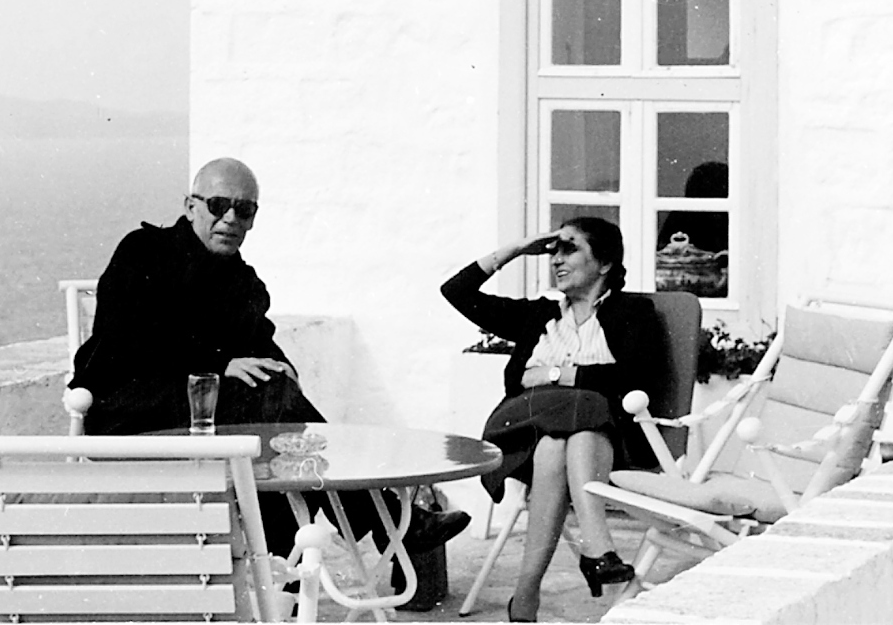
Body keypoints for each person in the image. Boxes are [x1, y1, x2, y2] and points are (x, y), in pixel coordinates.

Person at [71, 156, 469, 557]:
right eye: (218, 205)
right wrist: (221, 364)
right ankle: (381, 529)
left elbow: (260, 344)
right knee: (280, 424)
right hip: (132, 409)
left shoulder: (241, 280)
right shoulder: (144, 251)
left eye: (243, 210)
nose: (229, 218)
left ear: (252, 219)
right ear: (191, 206)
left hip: (206, 414)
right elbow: (128, 338)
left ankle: (293, 564)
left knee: (281, 425)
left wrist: (285, 369)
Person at [441, 218, 666, 621]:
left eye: (570, 249)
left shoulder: (633, 312)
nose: (556, 260)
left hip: (591, 443)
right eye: (553, 251)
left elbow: (637, 378)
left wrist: (556, 374)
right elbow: (455, 292)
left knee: (560, 441)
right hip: (521, 430)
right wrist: (517, 248)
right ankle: (597, 548)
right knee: (585, 409)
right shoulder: (537, 314)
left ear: (605, 263)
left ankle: (525, 594)